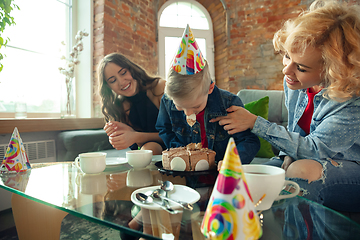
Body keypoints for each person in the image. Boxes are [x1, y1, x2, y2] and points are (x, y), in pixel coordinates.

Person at [210, 0, 360, 212]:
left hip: (351, 168)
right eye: (287, 56)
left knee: (300, 170)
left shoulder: (352, 99)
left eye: (300, 67)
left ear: (333, 70)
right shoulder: (295, 82)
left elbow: (315, 149)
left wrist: (255, 123)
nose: (286, 71)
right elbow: (296, 131)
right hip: (309, 160)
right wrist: (287, 155)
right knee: (240, 176)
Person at [156, 25, 260, 164]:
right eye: (179, 106)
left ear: (210, 88)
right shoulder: (167, 101)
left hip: (218, 174)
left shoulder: (229, 103)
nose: (188, 113)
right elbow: (164, 129)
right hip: (186, 174)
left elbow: (249, 141)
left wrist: (232, 161)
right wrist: (180, 153)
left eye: (196, 106)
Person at [98, 53, 166, 155]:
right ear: (108, 87)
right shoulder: (121, 107)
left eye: (123, 73)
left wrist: (135, 135)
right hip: (148, 153)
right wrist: (125, 134)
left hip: (178, 147)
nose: (121, 82)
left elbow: (178, 134)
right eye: (113, 81)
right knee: (149, 148)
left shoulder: (159, 88)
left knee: (150, 148)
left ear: (131, 69)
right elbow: (138, 147)